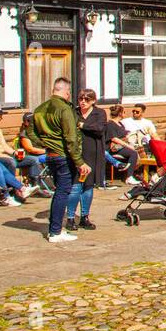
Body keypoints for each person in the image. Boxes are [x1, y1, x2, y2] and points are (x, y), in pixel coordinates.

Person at [31, 78, 89, 243]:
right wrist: (79, 161)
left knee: (59, 191)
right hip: (63, 155)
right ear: (67, 92)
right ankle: (55, 231)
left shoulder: (40, 108)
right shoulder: (64, 109)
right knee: (62, 192)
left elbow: (31, 133)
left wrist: (45, 144)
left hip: (50, 155)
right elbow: (71, 137)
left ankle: (56, 229)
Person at [65, 89, 108, 231]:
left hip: (93, 152)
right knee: (76, 186)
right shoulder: (74, 112)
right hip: (77, 154)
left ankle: (84, 217)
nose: (83, 102)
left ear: (93, 101)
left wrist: (83, 125)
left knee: (88, 186)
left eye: (87, 99)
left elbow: (100, 129)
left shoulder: (99, 113)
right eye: (80, 99)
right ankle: (70, 218)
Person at [105, 104, 141, 185]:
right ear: (120, 113)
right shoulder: (110, 124)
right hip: (114, 148)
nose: (125, 114)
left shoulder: (120, 124)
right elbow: (114, 138)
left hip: (121, 146)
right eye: (124, 112)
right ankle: (129, 177)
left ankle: (137, 172)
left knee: (141, 150)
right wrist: (127, 145)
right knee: (133, 153)